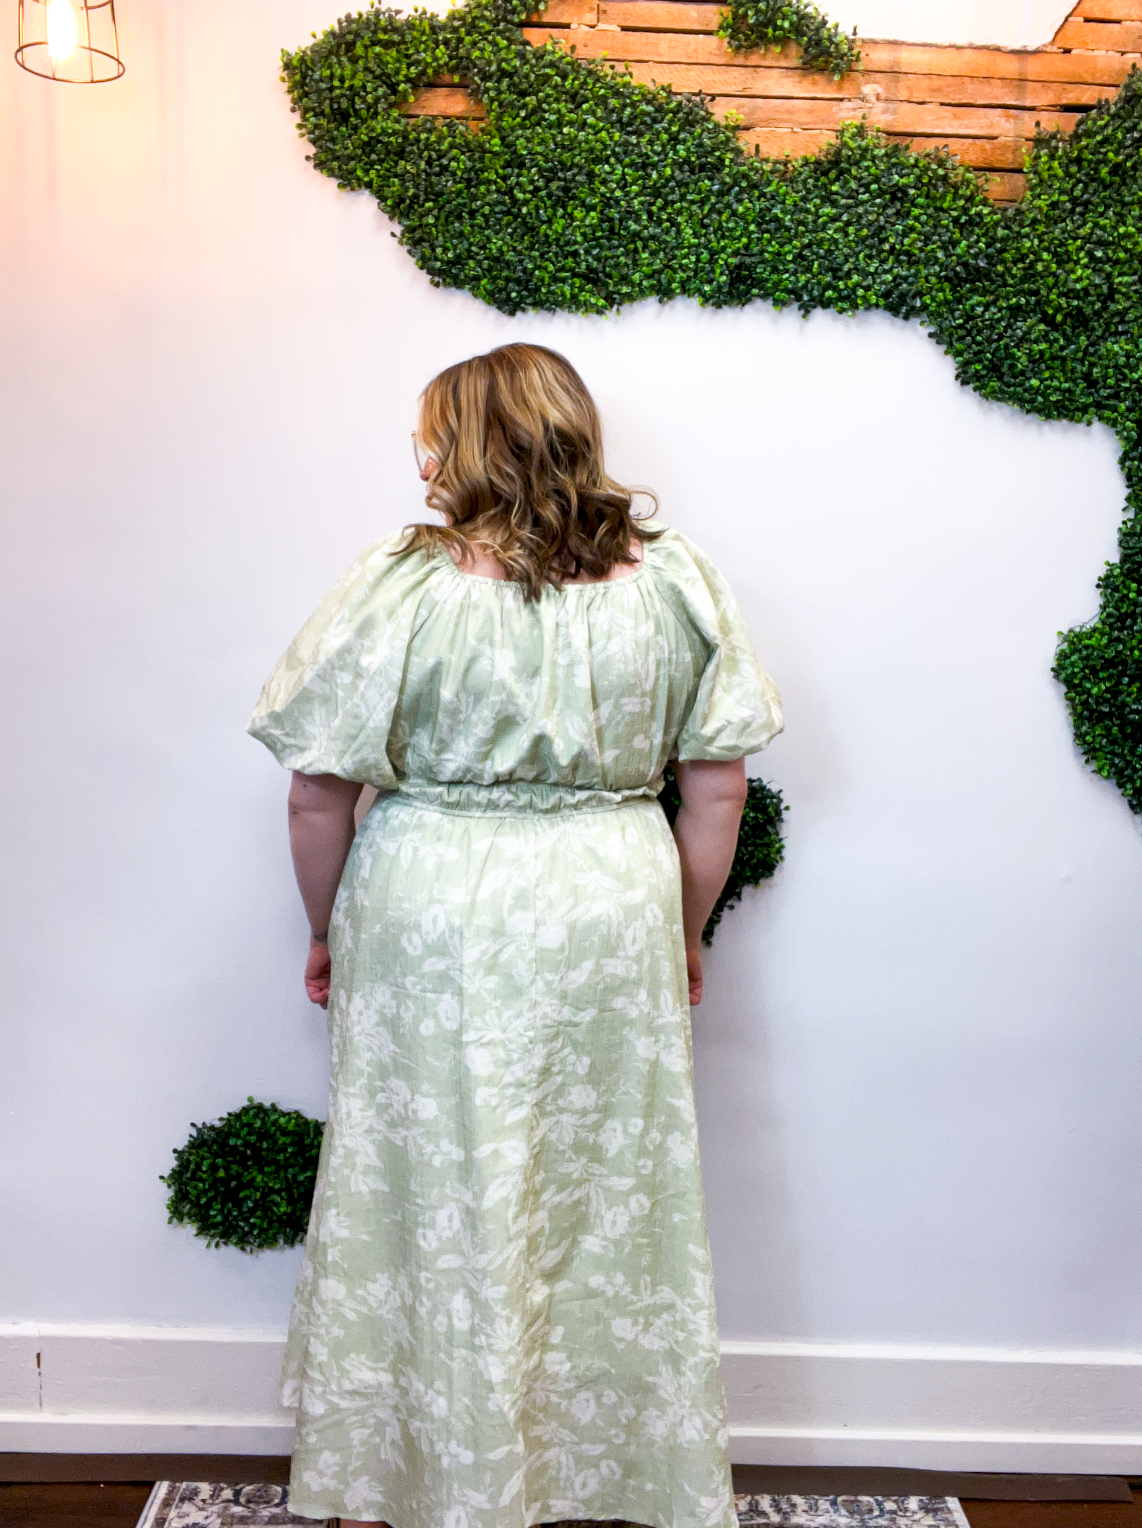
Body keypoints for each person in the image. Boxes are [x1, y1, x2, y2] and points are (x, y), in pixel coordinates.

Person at [247, 342, 782, 1528]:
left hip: (430, 908)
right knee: (602, 1196)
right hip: (608, 907)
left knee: (420, 1183)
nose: (420, 462)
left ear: (479, 443)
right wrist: (680, 933)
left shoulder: (403, 582)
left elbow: (316, 795)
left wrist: (326, 927)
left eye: (434, 437)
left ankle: (389, 1483)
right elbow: (716, 789)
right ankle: (595, 1477)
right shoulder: (674, 581)